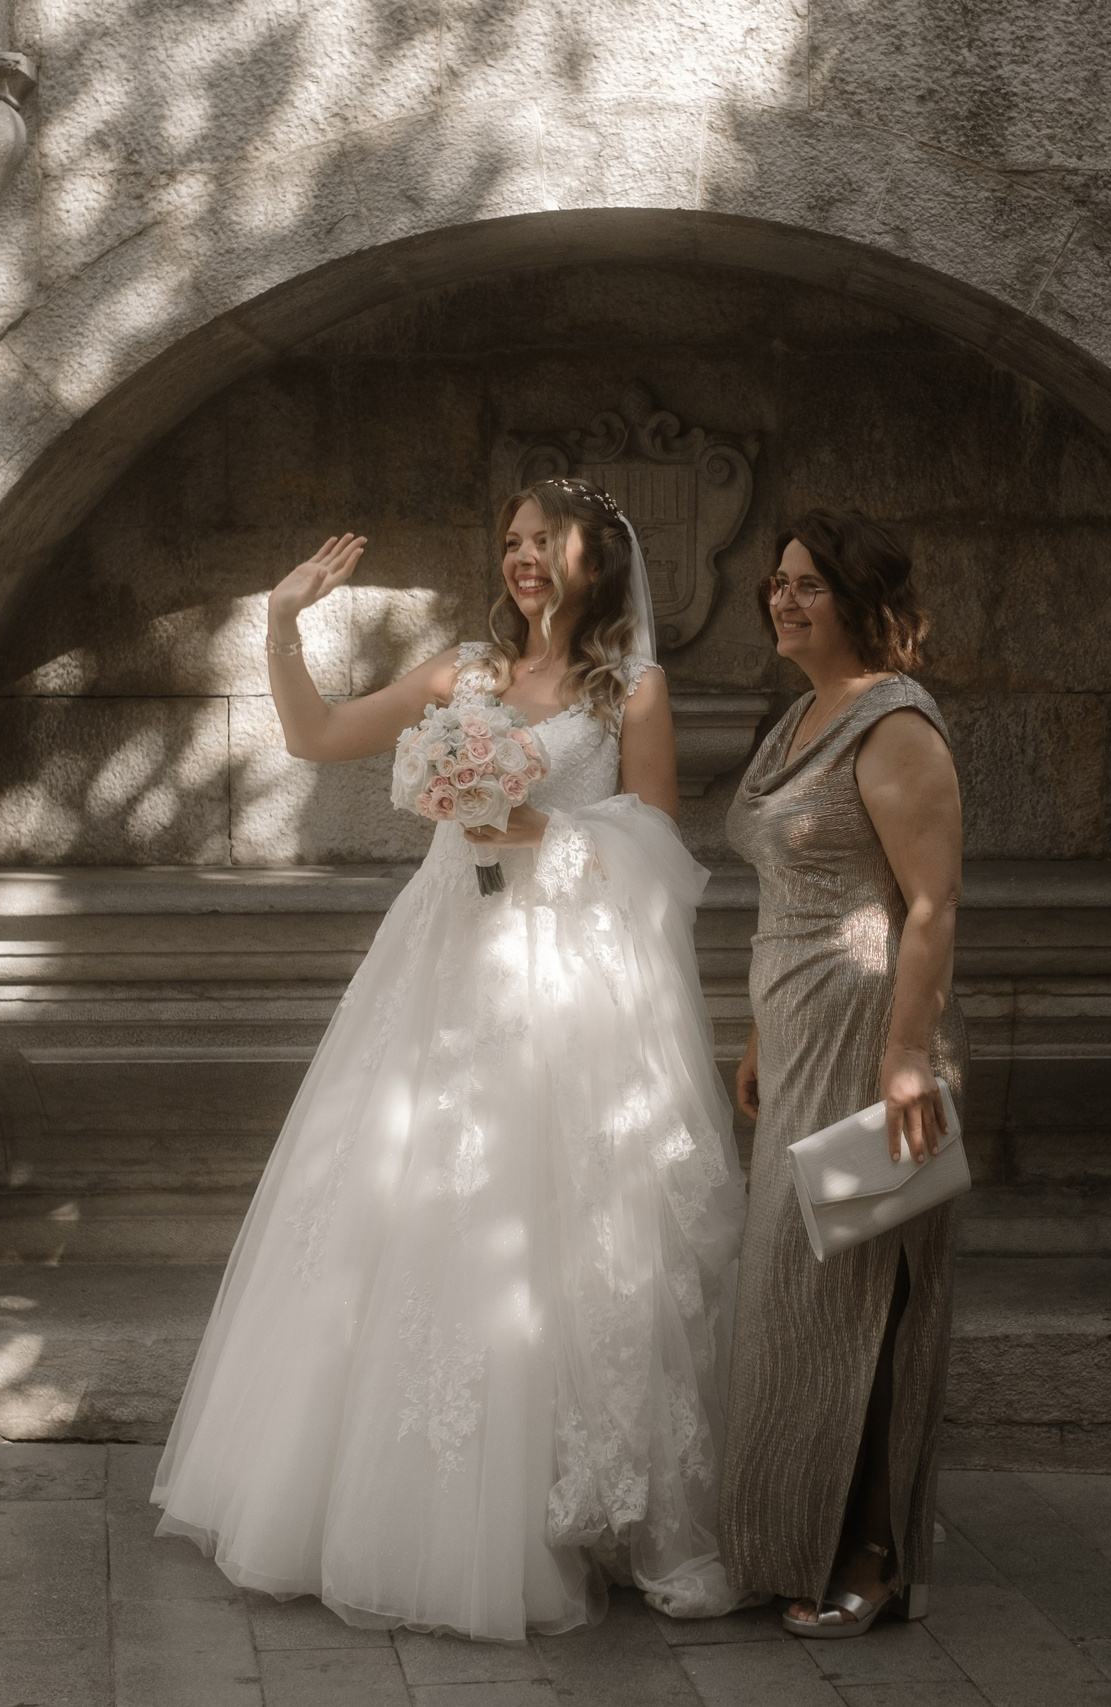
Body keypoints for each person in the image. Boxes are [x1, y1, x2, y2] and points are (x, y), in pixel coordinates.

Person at [152, 478, 748, 1641]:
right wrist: (280, 623)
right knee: (405, 1210)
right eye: (514, 541)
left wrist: (546, 831)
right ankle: (390, 1509)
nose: (522, 557)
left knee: (551, 1227)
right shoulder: (460, 676)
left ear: (596, 555)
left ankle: (570, 1505)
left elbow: (666, 850)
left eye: (545, 540)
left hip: (559, 991)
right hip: (436, 972)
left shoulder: (632, 689)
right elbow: (315, 737)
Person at [718, 508, 966, 1638]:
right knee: (795, 1294)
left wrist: (908, 1060)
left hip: (871, 1033)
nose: (783, 599)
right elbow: (788, 893)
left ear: (860, 598)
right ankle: (788, 1541)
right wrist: (762, 1029)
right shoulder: (796, 719)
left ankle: (869, 1553)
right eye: (776, 582)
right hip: (800, 1025)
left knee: (863, 1291)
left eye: (808, 584)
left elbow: (930, 904)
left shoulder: (896, 722)